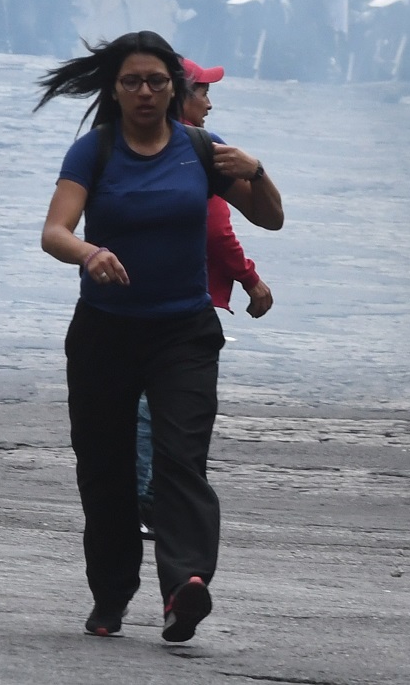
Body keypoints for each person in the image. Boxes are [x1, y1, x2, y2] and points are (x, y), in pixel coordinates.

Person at [36, 31, 284, 642]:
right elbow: (54, 231)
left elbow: (270, 216)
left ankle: (185, 586)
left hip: (184, 333)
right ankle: (112, 594)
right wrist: (89, 253)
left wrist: (259, 171)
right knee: (105, 469)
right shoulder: (92, 153)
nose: (145, 92)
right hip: (104, 334)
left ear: (173, 88)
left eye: (156, 81)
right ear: (115, 90)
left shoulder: (202, 150)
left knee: (181, 461)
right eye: (132, 82)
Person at [135, 57, 274, 535]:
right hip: (182, 299)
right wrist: (250, 278)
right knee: (165, 406)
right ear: (178, 95)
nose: (209, 103)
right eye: (202, 93)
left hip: (138, 294)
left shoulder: (134, 142)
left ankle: (144, 496)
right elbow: (217, 230)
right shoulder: (195, 149)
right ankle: (149, 498)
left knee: (147, 400)